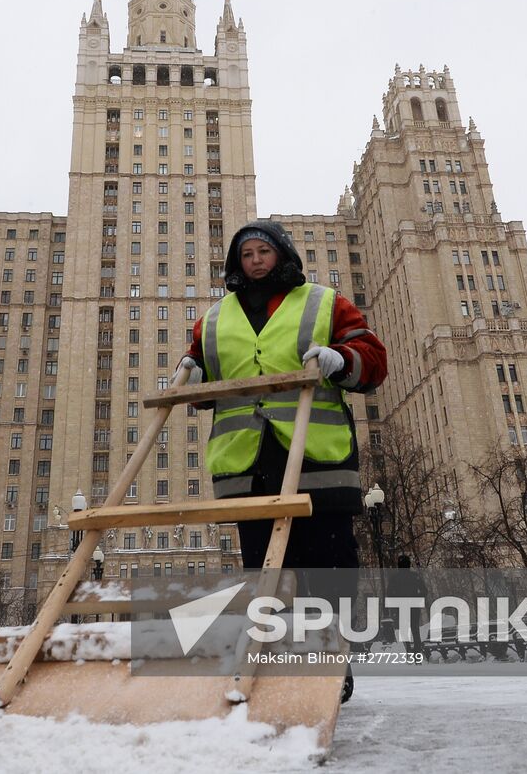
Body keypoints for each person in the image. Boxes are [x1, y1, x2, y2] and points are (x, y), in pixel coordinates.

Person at [178, 219, 387, 702]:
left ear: (281, 255)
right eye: (246, 253)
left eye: (263, 251)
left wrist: (341, 358)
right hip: (248, 466)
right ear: (236, 263)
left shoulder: (322, 301)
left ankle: (329, 657)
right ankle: (276, 660)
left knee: (327, 564)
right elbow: (203, 375)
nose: (255, 260)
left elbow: (372, 358)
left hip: (318, 461)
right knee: (266, 570)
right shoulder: (212, 318)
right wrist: (190, 373)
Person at [385, 554, 428, 655]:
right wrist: (417, 598)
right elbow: (424, 591)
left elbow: (389, 593)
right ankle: (417, 652)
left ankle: (409, 650)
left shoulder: (394, 578)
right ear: (408, 564)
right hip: (414, 606)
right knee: (415, 629)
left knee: (405, 630)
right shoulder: (415, 576)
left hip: (401, 607)